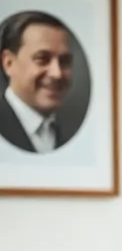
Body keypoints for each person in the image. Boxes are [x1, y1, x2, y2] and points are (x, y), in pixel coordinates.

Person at [0, 11, 79, 153]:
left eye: (64, 61)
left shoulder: (70, 133)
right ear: (9, 63)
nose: (57, 73)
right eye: (42, 59)